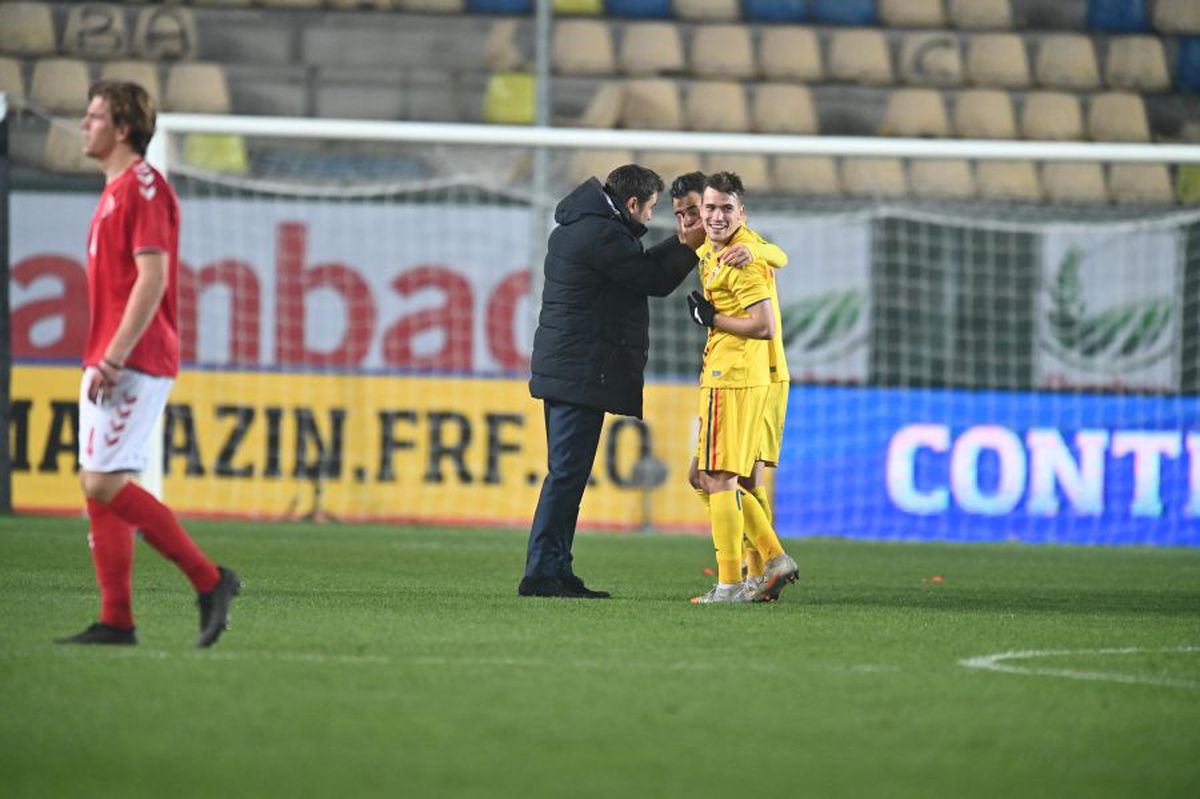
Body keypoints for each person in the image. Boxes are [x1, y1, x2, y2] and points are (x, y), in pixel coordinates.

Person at [56, 81, 241, 647]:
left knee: (104, 481)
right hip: (109, 356)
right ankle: (116, 620)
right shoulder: (114, 191)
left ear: (124, 128)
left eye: (94, 117)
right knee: (99, 489)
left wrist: (113, 355)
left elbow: (152, 277)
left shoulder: (142, 187)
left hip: (134, 357)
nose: (84, 125)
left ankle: (210, 581)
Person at [522, 164, 705, 599]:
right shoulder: (601, 235)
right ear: (632, 204)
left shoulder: (586, 227)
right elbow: (651, 278)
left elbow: (636, 265)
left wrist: (681, 243)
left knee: (568, 475)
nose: (650, 218)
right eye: (651, 210)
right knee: (566, 475)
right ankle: (540, 574)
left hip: (568, 370)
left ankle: (557, 568)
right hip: (578, 372)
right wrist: (688, 245)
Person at [672, 172, 791, 599]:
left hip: (741, 375)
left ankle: (740, 577)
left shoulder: (742, 257)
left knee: (721, 477)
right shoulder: (713, 248)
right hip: (759, 374)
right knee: (727, 477)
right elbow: (778, 255)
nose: (701, 219)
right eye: (702, 211)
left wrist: (712, 319)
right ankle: (766, 568)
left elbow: (763, 323)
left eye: (723, 209)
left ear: (740, 213)